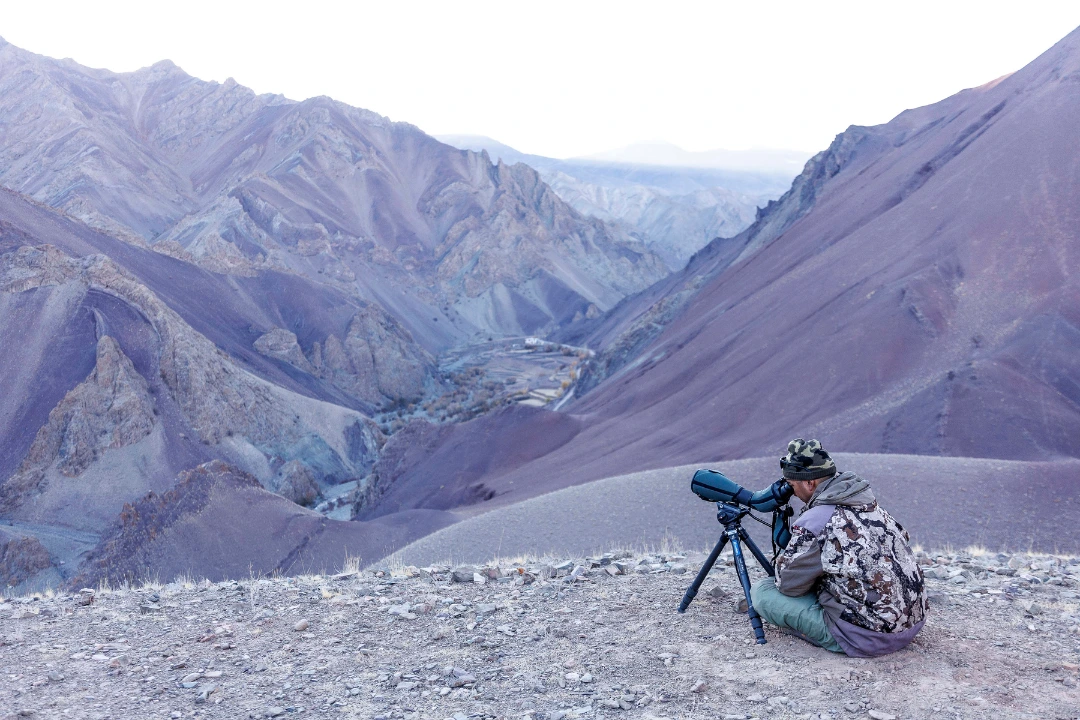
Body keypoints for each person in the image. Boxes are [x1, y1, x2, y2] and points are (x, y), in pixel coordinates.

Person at [750, 438, 927, 657]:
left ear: (809, 483)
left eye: (792, 485)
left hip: (869, 638)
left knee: (763, 592)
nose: (792, 493)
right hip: (912, 623)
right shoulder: (869, 505)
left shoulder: (817, 520)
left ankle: (835, 634)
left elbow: (788, 585)